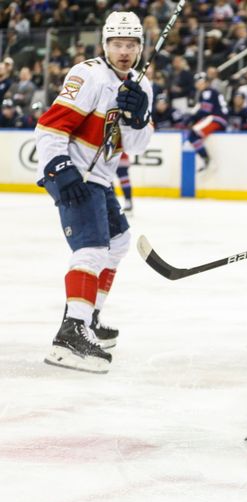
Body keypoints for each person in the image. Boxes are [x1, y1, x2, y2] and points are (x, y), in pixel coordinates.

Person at [34, 11, 153, 373]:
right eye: (117, 44)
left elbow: (139, 145)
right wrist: (58, 166)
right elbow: (50, 126)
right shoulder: (89, 75)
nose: (124, 51)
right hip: (73, 173)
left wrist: (139, 117)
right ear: (105, 45)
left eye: (131, 44)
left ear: (139, 47)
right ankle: (69, 335)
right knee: (91, 248)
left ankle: (89, 317)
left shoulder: (141, 85)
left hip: (100, 178)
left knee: (117, 242)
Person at [186, 71, 228, 171]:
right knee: (193, 135)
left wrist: (190, 118)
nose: (198, 84)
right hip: (217, 119)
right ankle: (206, 159)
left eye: (199, 82)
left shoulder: (207, 92)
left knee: (193, 134)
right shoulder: (208, 92)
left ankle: (207, 159)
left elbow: (205, 111)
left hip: (216, 118)